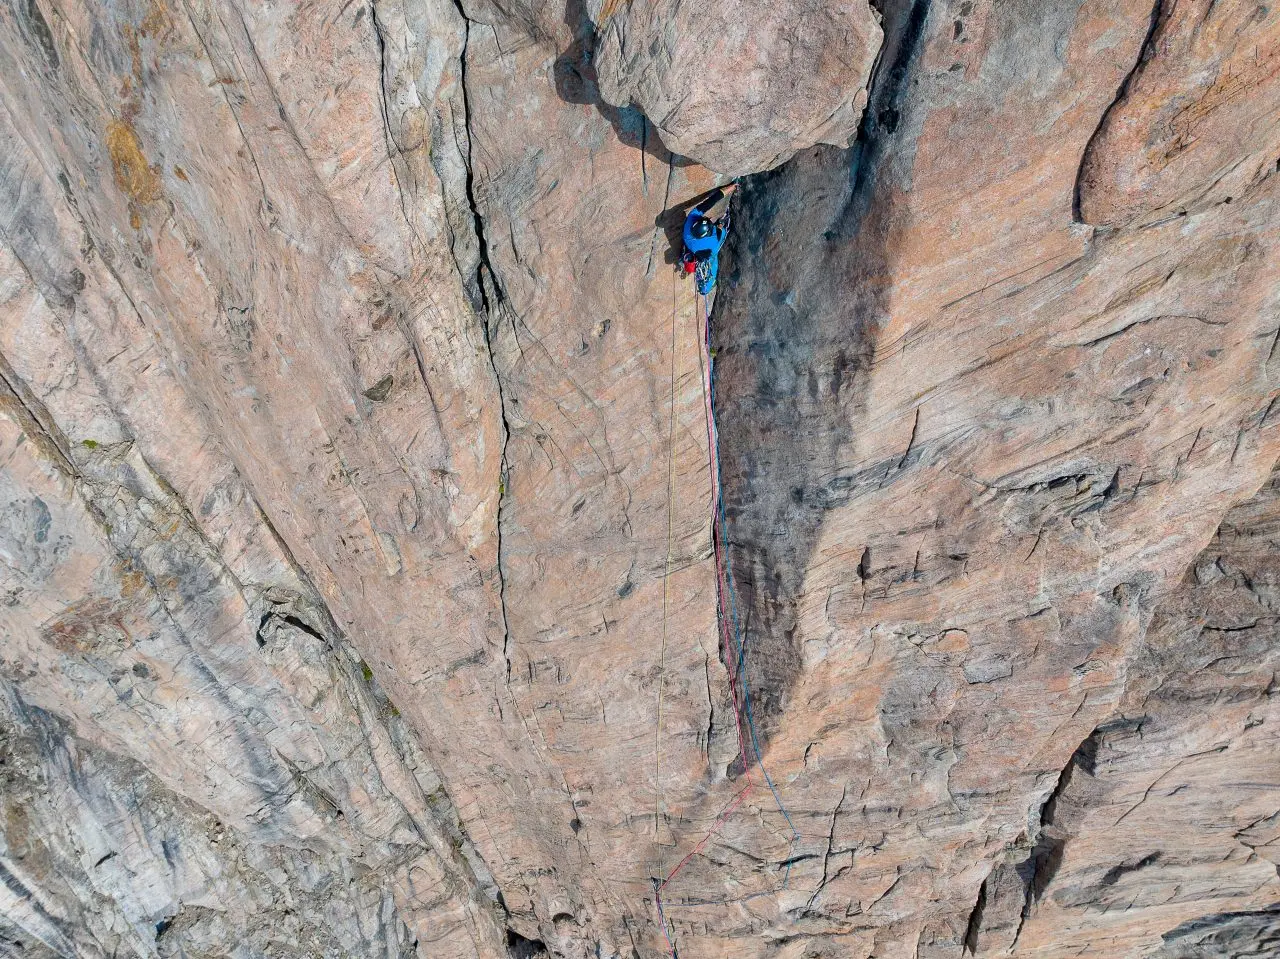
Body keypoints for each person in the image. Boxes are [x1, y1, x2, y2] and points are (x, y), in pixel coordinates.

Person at [681, 183, 737, 295]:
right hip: (706, 251)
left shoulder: (690, 222)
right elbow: (721, 231)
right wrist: (731, 188)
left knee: (709, 264)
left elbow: (710, 201)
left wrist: (729, 188)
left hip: (694, 248)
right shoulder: (713, 242)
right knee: (713, 262)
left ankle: (704, 288)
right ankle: (705, 288)